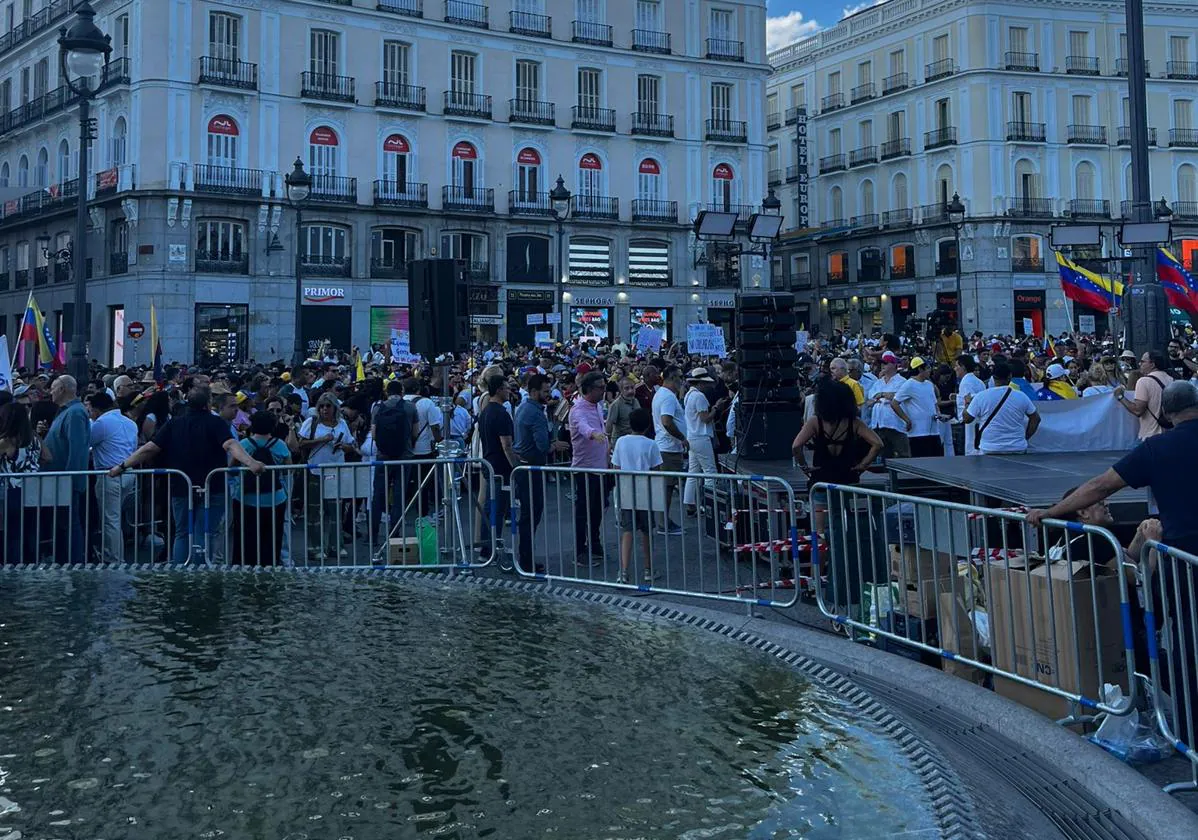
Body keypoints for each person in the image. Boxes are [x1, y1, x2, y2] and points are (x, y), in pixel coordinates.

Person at [1027, 380, 1198, 746]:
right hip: (1182, 559)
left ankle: (1191, 733)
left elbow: (1101, 487)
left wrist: (1053, 512)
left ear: (1165, 414)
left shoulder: (1156, 448)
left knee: (1187, 644)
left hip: (1184, 562)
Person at [113, 385, 265, 564]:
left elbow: (149, 448)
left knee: (182, 532)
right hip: (212, 486)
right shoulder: (216, 423)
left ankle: (181, 570)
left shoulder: (174, 423)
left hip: (181, 485)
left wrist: (122, 466)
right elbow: (230, 444)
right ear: (209, 403)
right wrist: (251, 463)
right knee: (203, 531)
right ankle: (199, 572)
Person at [297, 393, 357, 560]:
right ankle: (314, 547)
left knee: (335, 511)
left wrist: (344, 446)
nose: (324, 409)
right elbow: (301, 443)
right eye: (321, 406)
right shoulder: (311, 423)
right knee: (314, 511)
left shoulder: (342, 424)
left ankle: (335, 546)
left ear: (334, 408)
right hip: (315, 471)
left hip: (336, 470)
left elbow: (351, 445)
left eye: (328, 406)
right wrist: (322, 439)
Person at [512, 373, 562, 575]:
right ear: (534, 392)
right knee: (531, 515)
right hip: (531, 467)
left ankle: (525, 558)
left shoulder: (524, 408)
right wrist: (554, 445)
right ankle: (526, 560)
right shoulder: (535, 413)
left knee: (528, 515)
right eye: (545, 391)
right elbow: (542, 445)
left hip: (525, 466)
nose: (548, 395)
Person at [790, 379, 883, 486]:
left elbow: (796, 446)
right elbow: (878, 444)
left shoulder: (815, 422)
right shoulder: (854, 422)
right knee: (844, 502)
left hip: (821, 477)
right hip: (848, 476)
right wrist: (863, 465)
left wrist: (804, 467)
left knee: (822, 501)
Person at [611, 408, 664, 585]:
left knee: (627, 531)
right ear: (648, 425)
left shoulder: (621, 442)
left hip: (626, 489)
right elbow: (656, 470)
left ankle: (624, 571)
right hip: (645, 491)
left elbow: (616, 467)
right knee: (647, 531)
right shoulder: (651, 444)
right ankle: (648, 569)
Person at [232, 410, 291, 566]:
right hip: (275, 498)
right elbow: (288, 468)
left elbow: (232, 465)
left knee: (245, 538)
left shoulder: (243, 444)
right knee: (272, 538)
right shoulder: (280, 445)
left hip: (246, 498)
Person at [42, 375, 90, 564]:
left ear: (62, 389)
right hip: (58, 480)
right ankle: (64, 561)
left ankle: (72, 563)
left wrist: (70, 480)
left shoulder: (75, 413)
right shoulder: (66, 412)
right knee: (63, 525)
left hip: (65, 481)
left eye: (53, 388)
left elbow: (77, 450)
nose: (50, 392)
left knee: (69, 524)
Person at [87, 390, 139, 563]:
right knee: (116, 517)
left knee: (111, 519)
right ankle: (116, 555)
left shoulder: (101, 423)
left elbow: (88, 442)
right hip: (129, 473)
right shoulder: (130, 422)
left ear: (96, 409)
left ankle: (114, 558)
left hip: (109, 473)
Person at [569, 371, 609, 567]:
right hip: (585, 469)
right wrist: (595, 435)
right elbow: (583, 427)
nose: (604, 390)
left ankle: (594, 541)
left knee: (597, 509)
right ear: (589, 389)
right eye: (600, 387)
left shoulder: (598, 406)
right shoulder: (578, 410)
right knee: (583, 511)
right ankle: (579, 550)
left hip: (601, 467)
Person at [961, 361, 1041, 455]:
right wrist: (1025, 437)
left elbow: (967, 419)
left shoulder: (981, 396)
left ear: (993, 377)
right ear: (1010, 376)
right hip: (1017, 447)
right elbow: (1036, 418)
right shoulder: (1021, 396)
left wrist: (967, 403)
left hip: (989, 447)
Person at [477, 374, 516, 561]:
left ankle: (489, 546)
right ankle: (490, 548)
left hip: (489, 463)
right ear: (499, 389)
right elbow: (506, 446)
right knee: (497, 509)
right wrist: (516, 467)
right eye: (507, 387)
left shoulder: (485, 412)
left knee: (491, 508)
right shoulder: (501, 413)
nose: (510, 391)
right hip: (499, 467)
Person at [682, 368, 727, 517]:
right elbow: (705, 418)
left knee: (693, 473)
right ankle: (711, 505)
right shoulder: (699, 397)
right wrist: (716, 408)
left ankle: (690, 504)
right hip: (700, 437)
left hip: (692, 436)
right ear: (701, 382)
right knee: (710, 472)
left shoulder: (689, 395)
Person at [0, 401, 40, 564]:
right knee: (30, 532)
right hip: (34, 490)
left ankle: (14, 565)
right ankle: (31, 563)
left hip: (13, 490)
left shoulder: (7, 441)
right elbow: (48, 456)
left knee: (13, 533)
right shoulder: (33, 439)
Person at [650, 366, 686, 535]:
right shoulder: (668, 397)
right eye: (680, 377)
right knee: (668, 486)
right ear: (671, 378)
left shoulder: (662, 394)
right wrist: (682, 437)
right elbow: (666, 421)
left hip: (667, 446)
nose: (682, 380)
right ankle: (663, 522)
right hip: (668, 448)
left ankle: (663, 520)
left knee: (668, 486)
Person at [1115, 350, 1174, 440]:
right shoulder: (1170, 379)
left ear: (1153, 364)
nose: (1139, 364)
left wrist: (1120, 397)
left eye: (1143, 361)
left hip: (1150, 435)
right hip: (1169, 434)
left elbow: (1138, 410)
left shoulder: (1144, 381)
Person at [891, 357, 942, 457]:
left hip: (934, 432)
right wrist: (907, 420)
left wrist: (939, 414)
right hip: (918, 433)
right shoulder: (909, 384)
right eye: (927, 368)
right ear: (920, 369)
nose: (930, 370)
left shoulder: (929, 384)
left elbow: (934, 404)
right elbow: (894, 403)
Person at [866, 351, 909, 459]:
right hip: (879, 423)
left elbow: (898, 396)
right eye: (882, 363)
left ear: (894, 365)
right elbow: (870, 400)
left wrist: (881, 395)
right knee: (884, 456)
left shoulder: (902, 381)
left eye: (886, 363)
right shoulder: (878, 382)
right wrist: (883, 396)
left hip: (895, 424)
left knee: (903, 454)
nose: (883, 365)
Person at [604, 377, 639, 443]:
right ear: (621, 390)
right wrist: (608, 443)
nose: (630, 391)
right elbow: (609, 424)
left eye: (632, 388)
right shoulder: (616, 405)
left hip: (634, 439)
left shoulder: (636, 401)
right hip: (620, 441)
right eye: (626, 388)